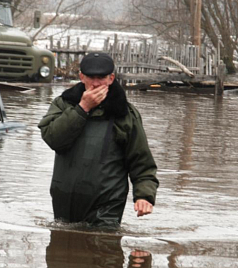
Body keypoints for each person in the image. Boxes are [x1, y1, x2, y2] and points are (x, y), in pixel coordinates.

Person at [38, 52, 158, 227]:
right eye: (90, 77)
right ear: (81, 77)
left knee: (104, 248)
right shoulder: (63, 104)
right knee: (62, 250)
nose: (95, 84)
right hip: (65, 201)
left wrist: (144, 196)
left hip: (107, 205)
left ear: (111, 78)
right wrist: (82, 108)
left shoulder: (125, 114)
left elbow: (141, 161)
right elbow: (53, 138)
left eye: (101, 77)